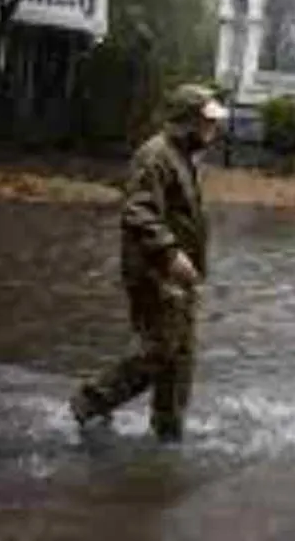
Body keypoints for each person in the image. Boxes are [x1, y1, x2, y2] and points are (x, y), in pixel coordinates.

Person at [70, 83, 228, 442]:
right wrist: (170, 254)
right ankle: (88, 402)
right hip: (156, 274)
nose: (213, 129)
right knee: (159, 350)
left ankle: (168, 434)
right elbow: (138, 212)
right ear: (187, 121)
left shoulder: (183, 157)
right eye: (207, 122)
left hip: (180, 277)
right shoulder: (156, 156)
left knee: (180, 358)